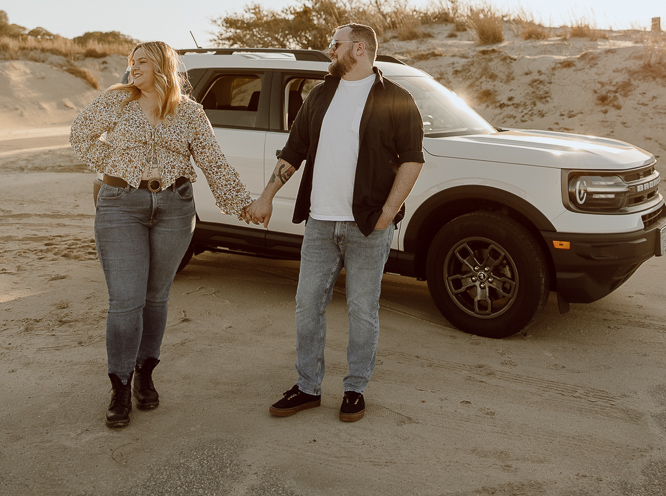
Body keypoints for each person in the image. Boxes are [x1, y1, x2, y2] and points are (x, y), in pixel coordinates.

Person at [245, 22, 424, 422]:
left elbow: (412, 159)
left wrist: (387, 214)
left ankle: (355, 388)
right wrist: (266, 196)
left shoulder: (396, 98)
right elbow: (295, 150)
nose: (329, 51)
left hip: (367, 226)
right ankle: (308, 386)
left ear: (358, 49)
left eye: (335, 44)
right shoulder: (320, 94)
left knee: (363, 309)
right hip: (320, 223)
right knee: (307, 305)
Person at [70, 41, 251, 429]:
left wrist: (242, 205)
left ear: (162, 66)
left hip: (174, 208)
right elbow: (80, 136)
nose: (133, 68)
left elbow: (213, 161)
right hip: (120, 206)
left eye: (142, 62)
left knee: (155, 299)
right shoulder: (115, 101)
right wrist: (118, 166)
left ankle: (145, 372)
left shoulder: (189, 112)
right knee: (125, 301)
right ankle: (120, 385)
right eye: (131, 62)